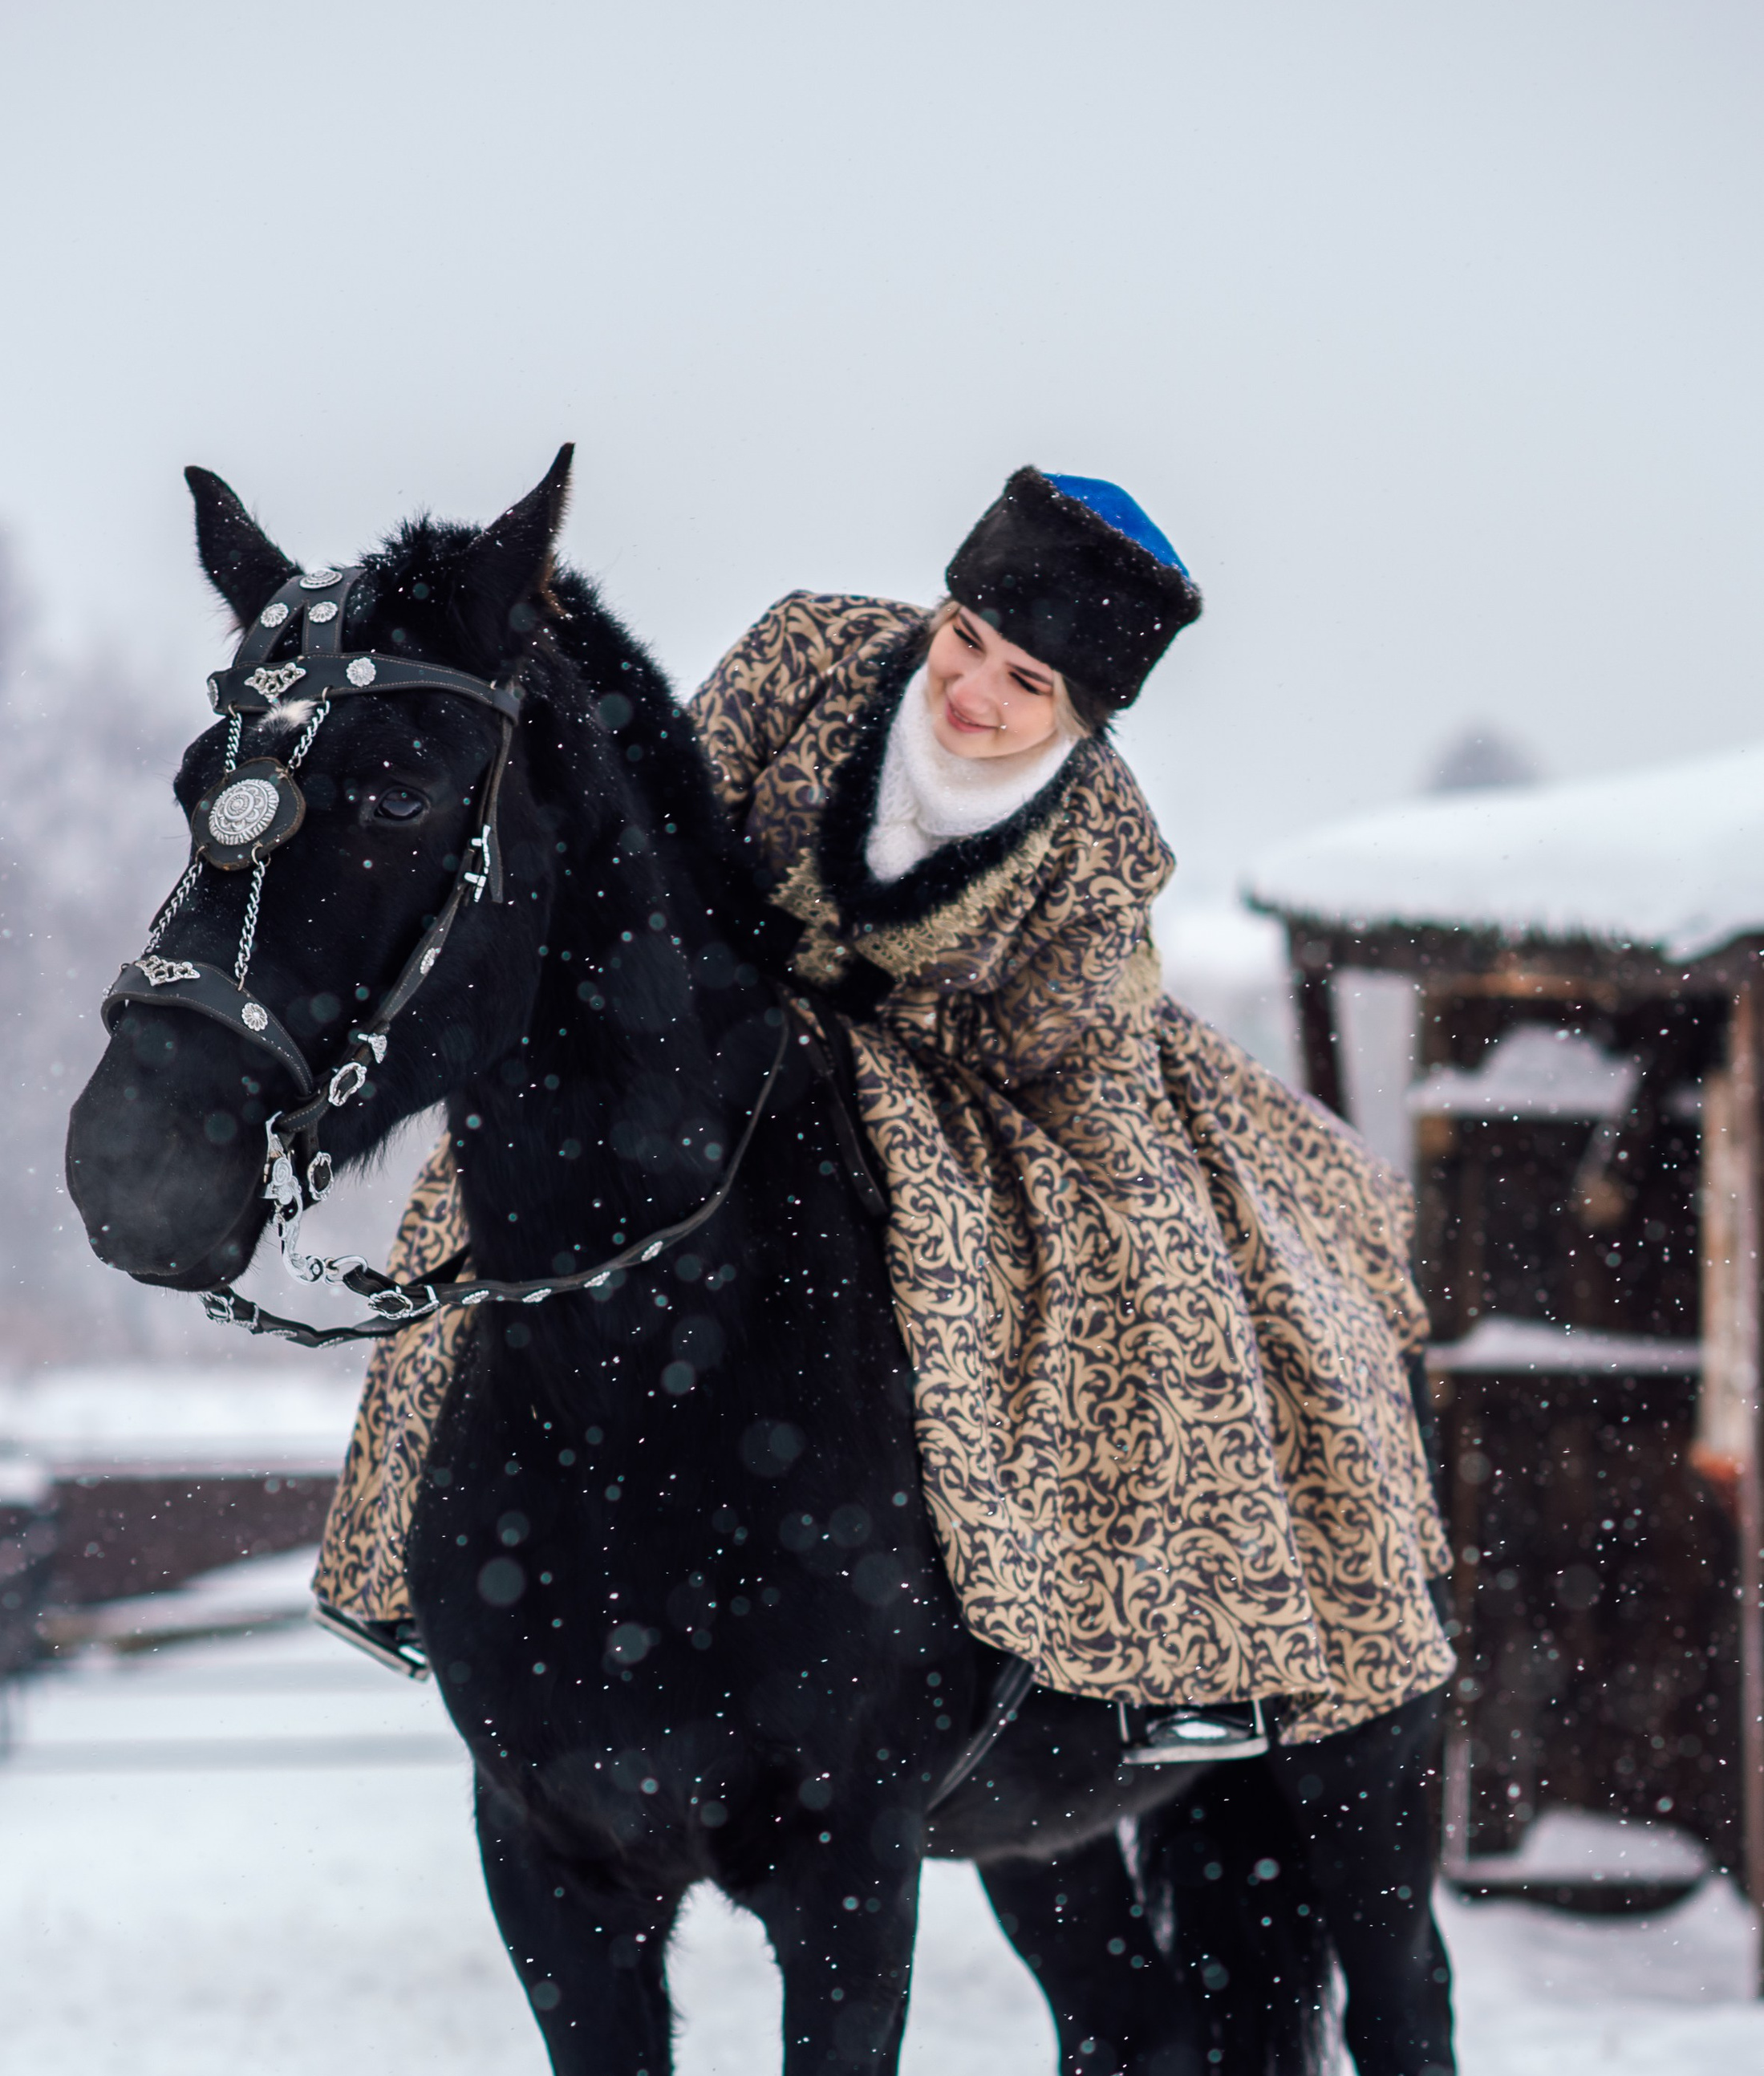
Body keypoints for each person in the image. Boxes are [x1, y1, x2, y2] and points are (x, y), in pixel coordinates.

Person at [314, 467, 1451, 1761]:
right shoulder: (807, 649)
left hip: (987, 1071)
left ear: (1081, 715)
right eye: (965, 641)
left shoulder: (1105, 839)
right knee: (473, 1189)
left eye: (1027, 686)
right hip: (728, 1013)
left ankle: (1196, 1649)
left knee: (1165, 1265)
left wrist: (879, 1036)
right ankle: (398, 1558)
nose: (972, 696)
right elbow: (674, 831)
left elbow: (1052, 1039)